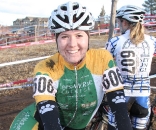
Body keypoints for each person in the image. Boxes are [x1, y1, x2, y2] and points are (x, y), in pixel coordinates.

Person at [10, 2, 133, 130]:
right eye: (64, 37)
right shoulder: (45, 68)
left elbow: (121, 112)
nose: (72, 44)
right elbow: (51, 122)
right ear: (56, 39)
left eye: (79, 35)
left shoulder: (102, 59)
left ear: (88, 37)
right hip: (33, 123)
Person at [106, 5, 156, 130]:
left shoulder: (115, 41)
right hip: (143, 97)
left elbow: (104, 64)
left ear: (125, 22)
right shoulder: (152, 41)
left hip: (121, 96)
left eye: (119, 21)